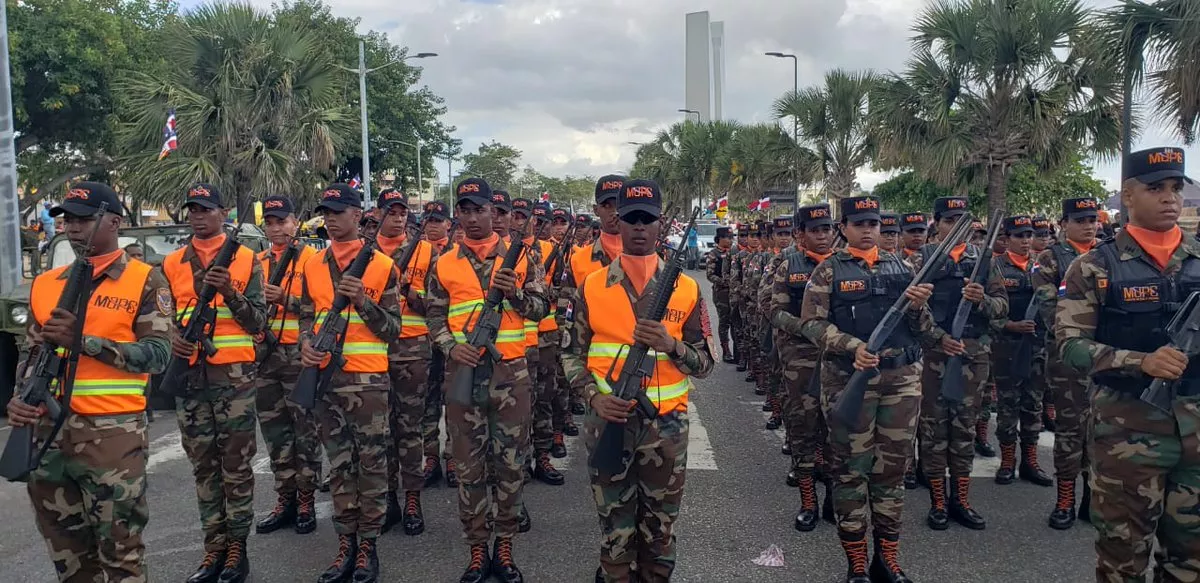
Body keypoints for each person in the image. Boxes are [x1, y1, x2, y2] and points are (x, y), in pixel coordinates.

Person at [8, 182, 170, 583]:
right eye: (67, 220)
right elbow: (31, 354)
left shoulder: (146, 281)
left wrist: (86, 344)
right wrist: (18, 399)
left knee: (121, 555)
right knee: (70, 560)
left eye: (84, 219)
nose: (72, 228)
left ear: (114, 223)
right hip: (48, 436)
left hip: (111, 437)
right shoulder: (47, 284)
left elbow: (159, 355)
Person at [1057, 146, 1200, 581]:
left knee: (1190, 562)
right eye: (1155, 188)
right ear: (1128, 196)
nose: (1169, 198)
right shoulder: (1093, 267)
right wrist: (1142, 362)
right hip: (1127, 435)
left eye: (1176, 188)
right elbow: (1069, 346)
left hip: (1195, 433)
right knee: (1122, 562)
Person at [561, 178, 713, 583]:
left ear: (661, 224)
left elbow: (705, 363)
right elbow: (570, 356)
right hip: (608, 422)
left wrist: (672, 345)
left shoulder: (685, 289)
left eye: (648, 219)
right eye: (631, 218)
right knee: (615, 534)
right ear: (616, 221)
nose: (639, 227)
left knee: (660, 534)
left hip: (666, 430)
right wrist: (594, 397)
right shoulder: (591, 287)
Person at [800, 195, 937, 583]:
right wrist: (852, 346)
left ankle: (887, 559)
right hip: (849, 381)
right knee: (850, 471)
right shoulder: (828, 272)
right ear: (843, 228)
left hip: (902, 381)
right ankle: (857, 562)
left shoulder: (905, 266)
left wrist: (917, 305)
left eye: (874, 223)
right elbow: (811, 324)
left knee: (892, 472)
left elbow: (924, 330)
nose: (868, 230)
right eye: (859, 223)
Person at [426, 178, 548, 583]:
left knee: (511, 466)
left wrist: (513, 293)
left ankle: (505, 546)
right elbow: (433, 316)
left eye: (481, 209)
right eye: (466, 209)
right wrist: (448, 345)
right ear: (457, 214)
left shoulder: (522, 257)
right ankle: (478, 550)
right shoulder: (443, 261)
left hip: (510, 377)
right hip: (462, 374)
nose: (475, 217)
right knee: (468, 468)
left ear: (496, 214)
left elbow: (539, 308)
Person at [162, 183, 267, 583]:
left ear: (223, 212)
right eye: (192, 209)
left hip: (234, 377)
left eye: (206, 209)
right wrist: (170, 333)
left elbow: (258, 322)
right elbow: (163, 316)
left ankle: (237, 547)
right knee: (203, 467)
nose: (198, 215)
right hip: (189, 376)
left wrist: (228, 293)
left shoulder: (245, 259)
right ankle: (213, 549)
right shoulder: (172, 263)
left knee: (236, 466)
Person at [298, 183, 400, 583]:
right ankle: (346, 543)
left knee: (372, 465)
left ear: (358, 216)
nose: (330, 218)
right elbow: (307, 316)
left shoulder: (381, 266)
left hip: (368, 381)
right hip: (325, 379)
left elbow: (393, 329)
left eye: (338, 212)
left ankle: (368, 546)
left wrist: (363, 301)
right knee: (340, 467)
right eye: (326, 212)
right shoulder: (312, 263)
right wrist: (307, 344)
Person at [913, 198, 1008, 532]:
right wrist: (938, 338)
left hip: (972, 358)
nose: (957, 226)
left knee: (964, 429)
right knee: (934, 430)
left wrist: (981, 300)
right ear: (936, 223)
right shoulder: (921, 260)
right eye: (950, 219)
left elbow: (1002, 308)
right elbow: (911, 311)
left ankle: (962, 500)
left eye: (963, 220)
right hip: (936, 358)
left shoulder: (983, 262)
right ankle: (938, 501)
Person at [253, 195, 324, 537]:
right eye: (270, 221)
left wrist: (285, 300)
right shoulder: (257, 261)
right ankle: (285, 497)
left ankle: (307, 497)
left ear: (295, 222)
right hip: (265, 356)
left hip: (299, 354)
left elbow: (320, 306)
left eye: (282, 220)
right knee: (275, 431)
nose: (276, 227)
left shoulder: (313, 260)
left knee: (304, 430)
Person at [374, 188, 438, 536]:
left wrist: (411, 293)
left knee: (410, 428)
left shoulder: (427, 251)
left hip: (412, 349)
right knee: (380, 432)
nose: (397, 217)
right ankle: (388, 497)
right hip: (373, 349)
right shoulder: (366, 253)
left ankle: (412, 498)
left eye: (402, 212)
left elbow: (438, 304)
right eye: (391, 211)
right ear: (378, 214)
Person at [1034, 197, 1099, 530]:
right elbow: (1049, 308)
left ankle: (1091, 496)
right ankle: (1065, 500)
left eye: (1093, 218)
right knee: (1070, 430)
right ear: (1064, 223)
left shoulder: (1107, 255)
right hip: (1067, 359)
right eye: (1081, 219)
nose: (1089, 224)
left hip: (1105, 359)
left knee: (1099, 431)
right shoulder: (1049, 258)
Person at [770, 204, 836, 532]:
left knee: (839, 432)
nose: (823, 235)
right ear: (801, 234)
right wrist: (809, 328)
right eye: (815, 230)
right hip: (801, 361)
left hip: (840, 362)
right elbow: (775, 312)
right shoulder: (788, 265)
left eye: (827, 229)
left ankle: (834, 500)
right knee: (803, 429)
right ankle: (808, 501)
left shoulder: (846, 266)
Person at [990, 216, 1052, 489]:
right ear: (1007, 239)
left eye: (1030, 234)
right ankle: (1007, 462)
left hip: (1037, 347)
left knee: (1033, 405)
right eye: (1019, 235)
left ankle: (1030, 461)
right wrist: (1010, 325)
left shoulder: (1042, 267)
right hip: (1007, 347)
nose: (1026, 239)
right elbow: (986, 309)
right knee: (1007, 406)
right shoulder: (995, 268)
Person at [420, 201, 460, 488]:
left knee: (454, 400)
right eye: (429, 219)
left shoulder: (455, 255)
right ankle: (430, 455)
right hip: (421, 340)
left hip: (450, 339)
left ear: (449, 224)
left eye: (438, 220)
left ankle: (453, 456)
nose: (433, 224)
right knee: (428, 402)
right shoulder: (416, 252)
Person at [706, 226, 735, 363]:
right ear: (719, 239)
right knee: (724, 322)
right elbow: (710, 275)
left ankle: (738, 351)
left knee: (737, 321)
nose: (730, 240)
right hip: (721, 293)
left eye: (731, 237)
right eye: (727, 237)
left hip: (734, 292)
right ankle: (726, 350)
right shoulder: (714, 254)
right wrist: (723, 281)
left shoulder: (735, 253)